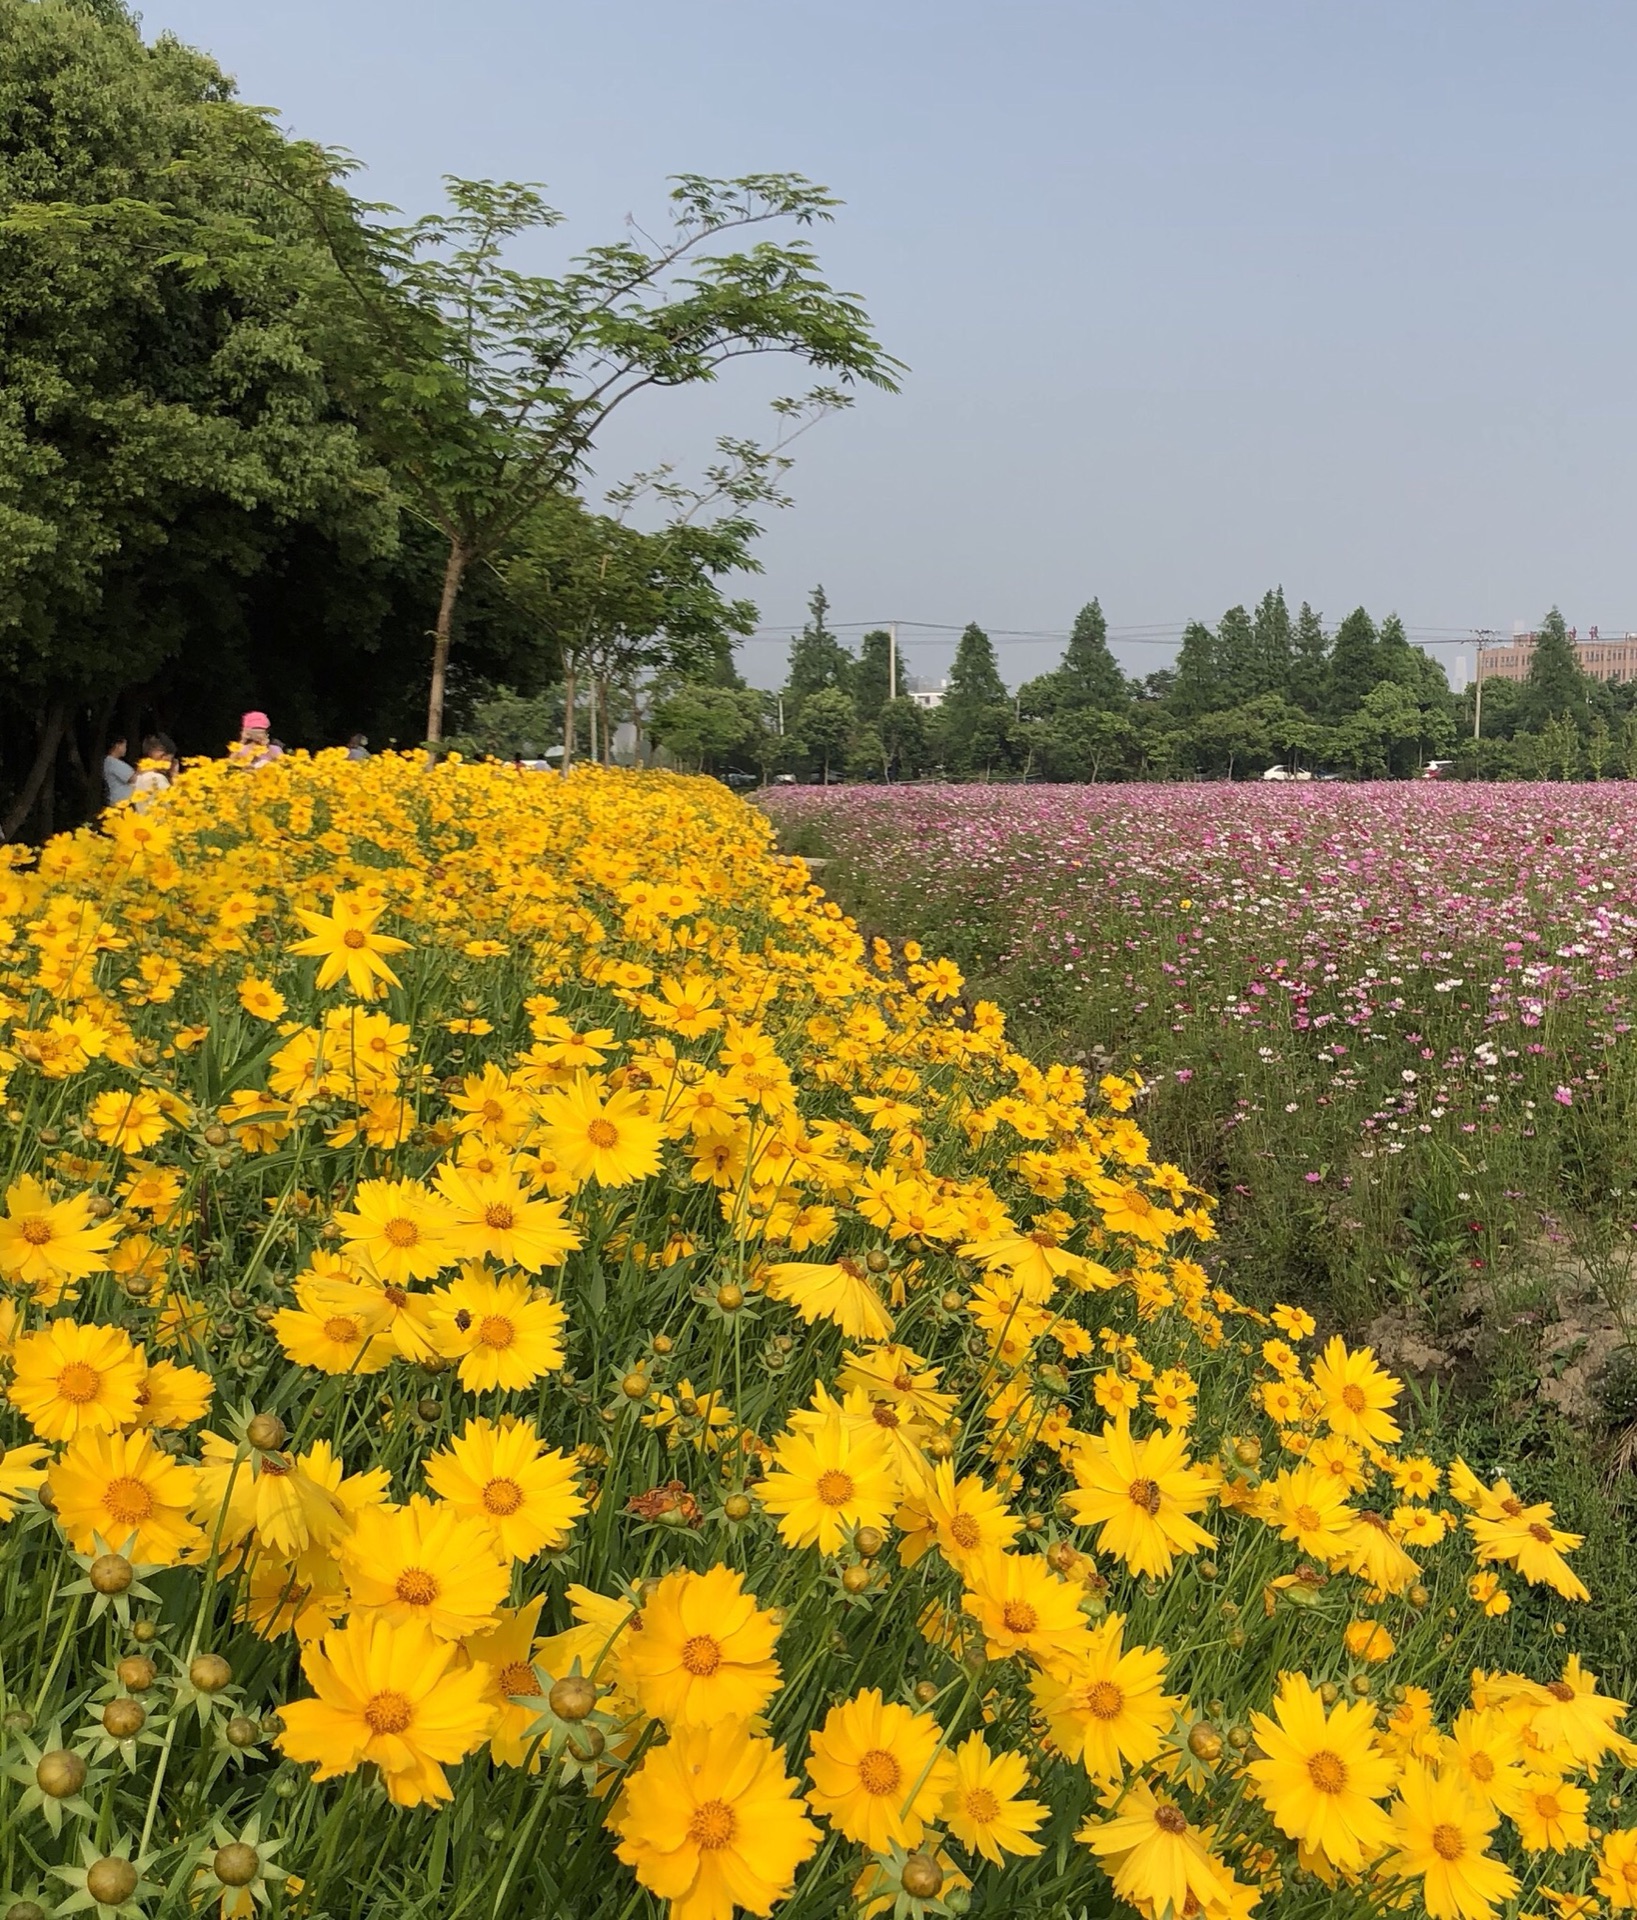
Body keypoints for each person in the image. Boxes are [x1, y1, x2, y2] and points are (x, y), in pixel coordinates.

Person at [103, 736, 136, 807]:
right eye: (124, 746)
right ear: (117, 746)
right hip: (121, 803)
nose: (125, 749)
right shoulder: (113, 762)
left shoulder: (110, 762)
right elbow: (133, 778)